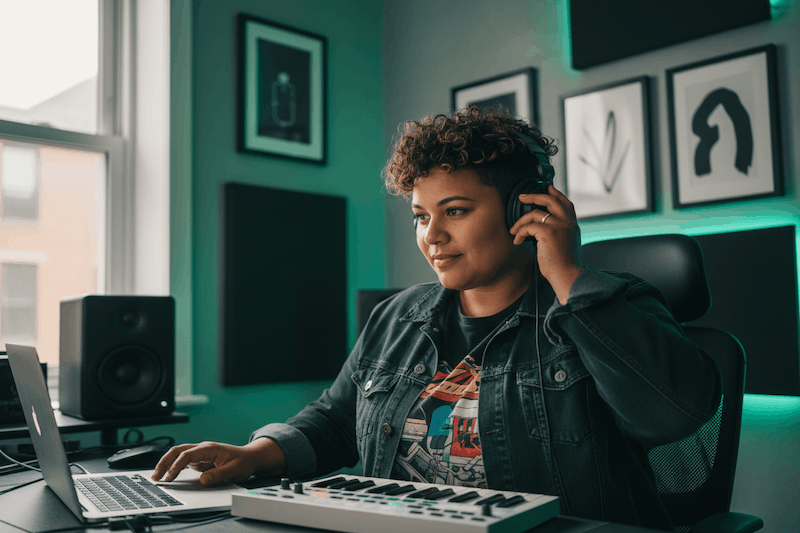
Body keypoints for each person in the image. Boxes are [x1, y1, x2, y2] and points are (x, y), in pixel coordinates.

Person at [152, 105, 721, 530]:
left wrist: (568, 275)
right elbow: (337, 419)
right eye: (422, 216)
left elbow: (672, 416)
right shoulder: (398, 316)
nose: (432, 236)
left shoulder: (607, 307)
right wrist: (255, 455)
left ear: (525, 207)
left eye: (456, 211)